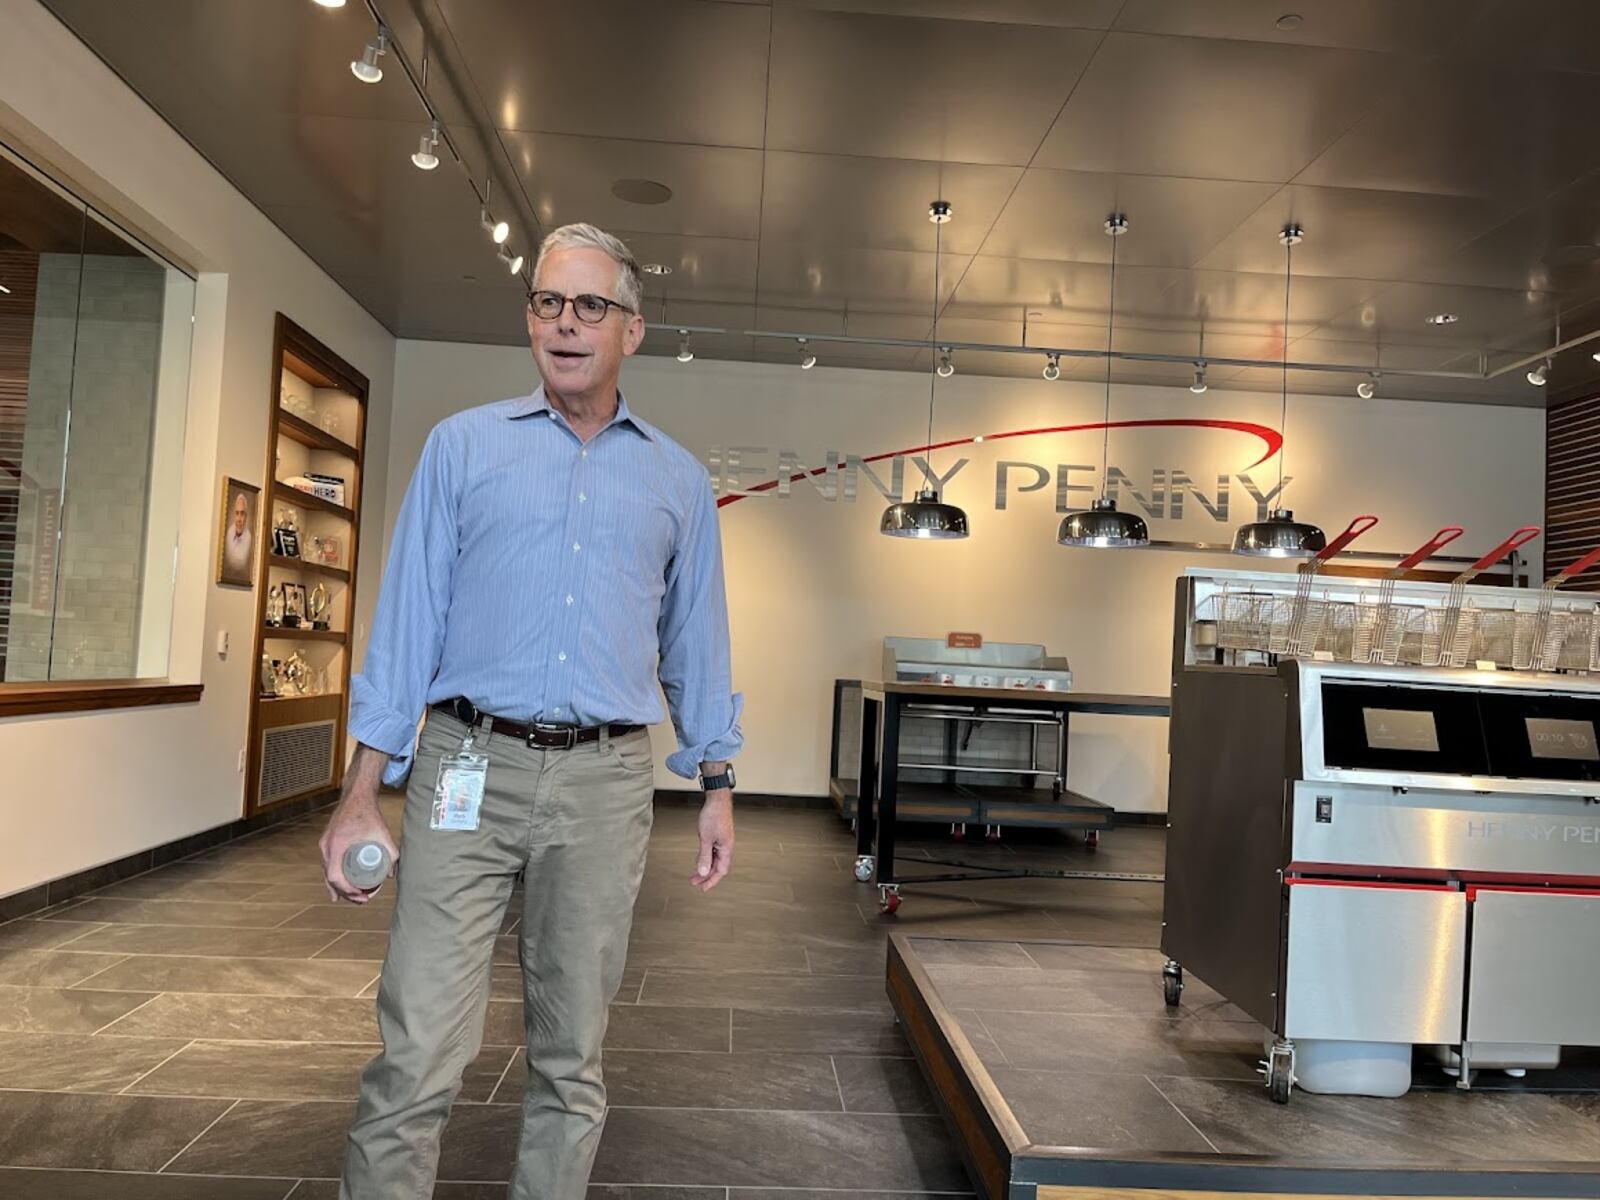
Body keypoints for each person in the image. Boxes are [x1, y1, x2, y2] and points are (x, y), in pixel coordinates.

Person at [320, 222, 743, 1200]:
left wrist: (715, 783)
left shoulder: (676, 480)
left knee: (570, 1054)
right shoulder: (463, 448)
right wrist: (359, 793)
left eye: (590, 305)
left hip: (604, 783)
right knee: (417, 1047)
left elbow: (697, 646)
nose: (565, 323)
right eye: (548, 302)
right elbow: (407, 621)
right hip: (464, 763)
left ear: (631, 330)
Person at [223, 491, 252, 578]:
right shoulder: (229, 533)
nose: (239, 519)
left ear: (246, 516)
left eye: (242, 514)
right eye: (237, 513)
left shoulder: (249, 538)